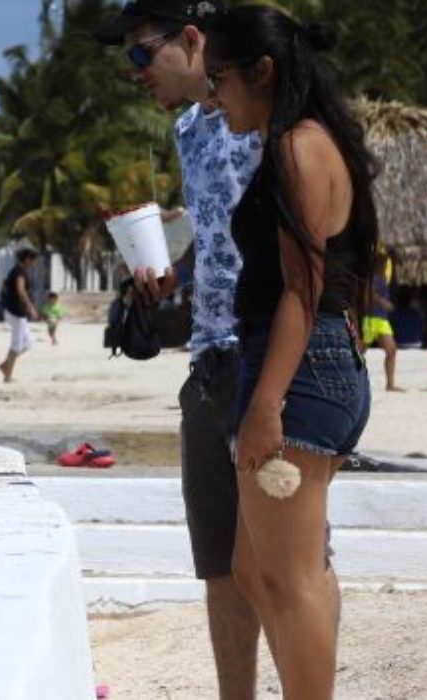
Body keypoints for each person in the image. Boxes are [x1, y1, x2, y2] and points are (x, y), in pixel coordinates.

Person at [203, 8, 377, 697]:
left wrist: (265, 406)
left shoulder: (296, 148)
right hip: (310, 365)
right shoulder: (314, 140)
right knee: (257, 571)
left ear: (262, 71)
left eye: (219, 78)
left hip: (300, 372)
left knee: (289, 579)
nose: (214, 96)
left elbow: (303, 290)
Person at [98, 3, 265, 696]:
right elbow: (220, 234)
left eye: (142, 54)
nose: (135, 72)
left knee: (290, 567)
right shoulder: (188, 130)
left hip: (268, 357)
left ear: (190, 40)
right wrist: (167, 277)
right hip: (209, 367)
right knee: (221, 564)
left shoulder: (267, 115)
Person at [0, 248, 43, 383]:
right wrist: (31, 308)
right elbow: (21, 290)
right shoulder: (19, 271)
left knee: (27, 344)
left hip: (18, 312)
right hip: (15, 311)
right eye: (33, 260)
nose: (34, 263)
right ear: (27, 259)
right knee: (16, 344)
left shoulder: (18, 270)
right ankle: (8, 376)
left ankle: (5, 365)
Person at [363, 248, 402, 392]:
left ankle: (390, 384)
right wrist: (383, 303)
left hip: (382, 319)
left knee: (391, 350)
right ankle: (355, 382)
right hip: (370, 319)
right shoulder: (372, 276)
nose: (386, 264)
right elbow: (369, 293)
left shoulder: (384, 277)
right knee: (359, 353)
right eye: (384, 261)